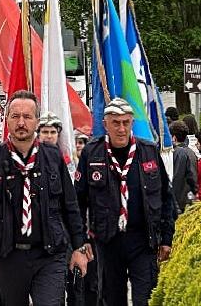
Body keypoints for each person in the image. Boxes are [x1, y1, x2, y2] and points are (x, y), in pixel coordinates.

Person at [0, 90, 89, 305]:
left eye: (27, 116)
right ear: (7, 120)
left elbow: (70, 207)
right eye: (15, 116)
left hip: (49, 254)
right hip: (8, 256)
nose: (21, 123)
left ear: (36, 121)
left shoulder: (53, 157)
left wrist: (79, 248)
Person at [76, 97, 175, 306]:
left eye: (125, 122)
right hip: (107, 241)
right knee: (111, 299)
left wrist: (166, 239)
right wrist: (81, 240)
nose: (121, 129)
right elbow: (78, 202)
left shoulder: (148, 150)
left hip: (143, 241)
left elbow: (166, 197)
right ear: (105, 124)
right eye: (115, 122)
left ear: (132, 122)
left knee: (145, 299)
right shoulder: (91, 152)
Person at [169, 121, 198, 213]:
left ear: (174, 137)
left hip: (179, 202)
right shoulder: (191, 152)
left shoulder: (177, 153)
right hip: (188, 200)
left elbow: (176, 178)